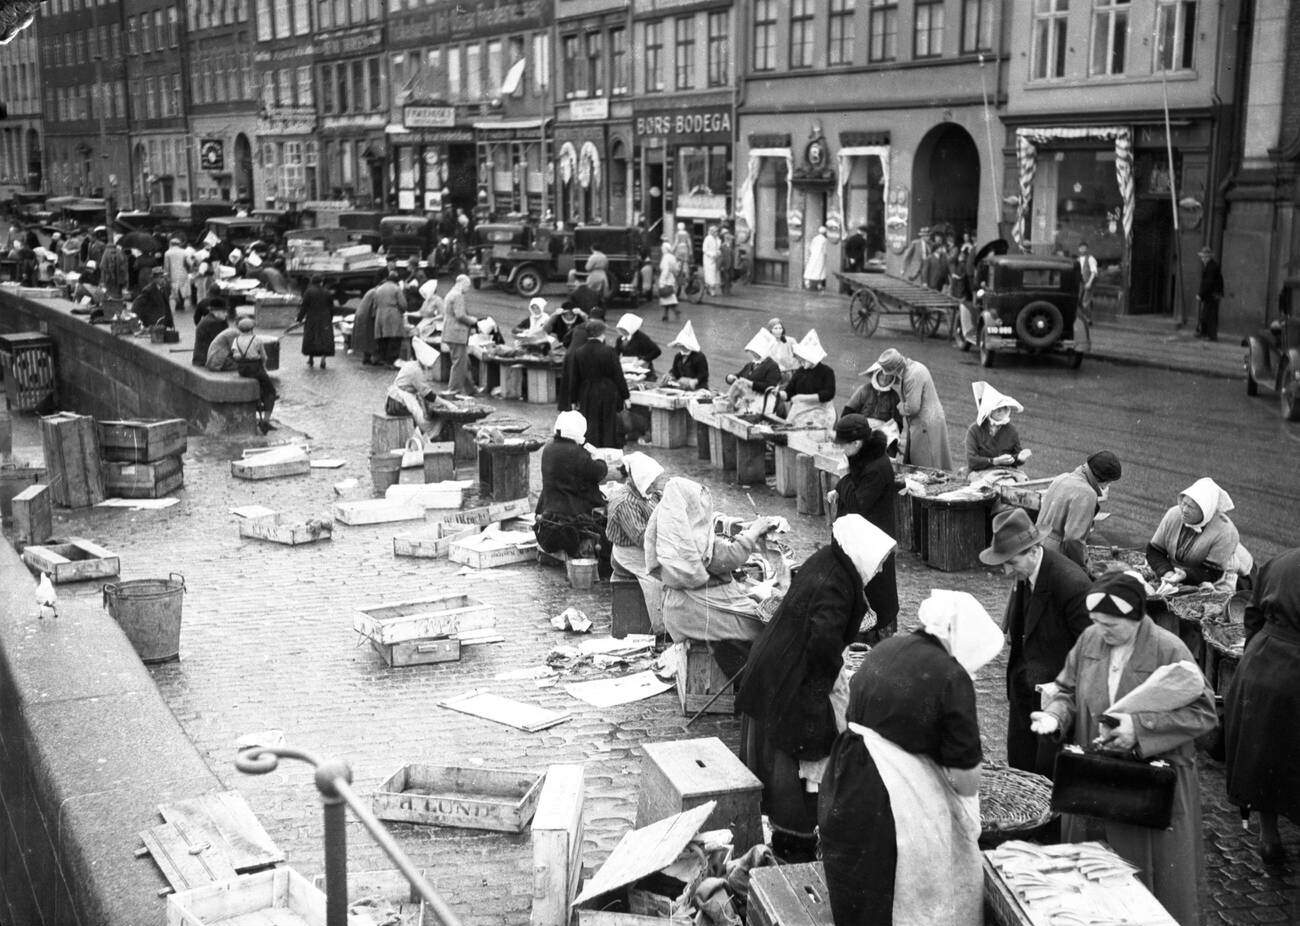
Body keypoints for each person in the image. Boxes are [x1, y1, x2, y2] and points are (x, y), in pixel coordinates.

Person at [1031, 572, 1217, 926]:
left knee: (1147, 881)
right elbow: (1067, 690)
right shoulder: (1089, 640)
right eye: (1097, 623)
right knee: (1092, 878)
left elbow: (1204, 712)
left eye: (1111, 625)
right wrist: (1055, 715)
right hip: (1095, 781)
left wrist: (1140, 729)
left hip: (1148, 787)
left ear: (1137, 618)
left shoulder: (1169, 649)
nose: (1102, 632)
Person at [818, 589, 1003, 926]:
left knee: (856, 893)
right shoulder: (952, 677)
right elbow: (965, 781)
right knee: (893, 897)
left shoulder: (888, 647)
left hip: (844, 778)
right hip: (887, 801)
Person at [739, 515, 897, 862]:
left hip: (776, 664)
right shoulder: (837, 581)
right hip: (791, 673)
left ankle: (791, 830)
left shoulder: (828, 558)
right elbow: (823, 641)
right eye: (880, 561)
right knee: (802, 749)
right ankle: (796, 838)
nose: (881, 568)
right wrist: (826, 689)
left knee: (789, 749)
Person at [979, 507, 1091, 776]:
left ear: (1033, 550)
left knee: (1047, 773)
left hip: (1055, 698)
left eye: (1012, 563)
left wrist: (1063, 690)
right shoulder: (1026, 574)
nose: (1006, 571)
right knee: (1019, 765)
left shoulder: (1071, 584)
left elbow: (1090, 649)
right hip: (1024, 689)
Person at [644, 477, 779, 679]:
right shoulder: (694, 545)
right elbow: (731, 556)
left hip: (678, 608)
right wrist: (755, 531)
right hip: (696, 613)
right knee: (768, 623)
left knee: (752, 601)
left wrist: (744, 528)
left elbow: (711, 533)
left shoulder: (673, 531)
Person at [1224, 547, 1300, 864]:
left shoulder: (1282, 560)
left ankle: (1268, 835)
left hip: (1261, 662)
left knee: (1263, 752)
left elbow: (1253, 613)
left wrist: (1258, 650)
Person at [827, 415, 902, 639]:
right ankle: (864, 626)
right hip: (864, 535)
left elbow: (859, 503)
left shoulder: (876, 467)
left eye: (843, 445)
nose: (841, 449)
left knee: (877, 590)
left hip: (874, 539)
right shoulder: (865, 456)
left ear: (857, 443)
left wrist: (841, 483)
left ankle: (876, 632)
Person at [605, 452, 666, 633]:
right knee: (658, 578)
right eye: (652, 483)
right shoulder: (626, 502)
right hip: (628, 552)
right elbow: (642, 538)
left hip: (647, 544)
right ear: (641, 480)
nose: (655, 486)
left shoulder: (648, 493)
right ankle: (662, 629)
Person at [1147, 477, 1244, 591]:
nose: (1184, 509)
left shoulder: (1226, 532)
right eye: (1183, 503)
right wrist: (1167, 572)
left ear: (1205, 510)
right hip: (1178, 572)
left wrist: (1186, 576)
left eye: (1191, 507)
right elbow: (1155, 550)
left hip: (1217, 577)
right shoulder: (1174, 514)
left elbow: (1212, 572)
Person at [535, 410, 609, 559]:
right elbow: (599, 472)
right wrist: (599, 457)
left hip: (549, 509)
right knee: (603, 516)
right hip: (571, 515)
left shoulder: (549, 447)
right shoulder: (577, 453)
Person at [1037, 451, 1123, 569]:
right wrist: (1083, 568)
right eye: (1110, 482)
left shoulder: (1062, 478)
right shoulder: (1087, 494)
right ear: (1104, 479)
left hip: (1038, 548)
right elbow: (1074, 539)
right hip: (1055, 558)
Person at [874, 347, 952, 471]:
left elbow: (913, 408)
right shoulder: (913, 368)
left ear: (894, 369)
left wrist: (900, 407)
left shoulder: (912, 376)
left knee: (925, 464)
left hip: (926, 425)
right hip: (930, 421)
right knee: (931, 461)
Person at [563, 319, 629, 449]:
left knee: (590, 422)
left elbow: (575, 378)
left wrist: (573, 399)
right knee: (608, 422)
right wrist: (625, 395)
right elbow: (618, 376)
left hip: (587, 392)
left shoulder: (579, 352)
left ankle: (591, 449)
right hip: (607, 391)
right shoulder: (609, 351)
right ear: (602, 333)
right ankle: (607, 449)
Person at [965, 381, 1031, 474]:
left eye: (1004, 408)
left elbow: (1015, 457)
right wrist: (995, 461)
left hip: (1005, 472)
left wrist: (1020, 458)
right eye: (998, 409)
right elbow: (972, 461)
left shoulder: (1011, 430)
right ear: (989, 412)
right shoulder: (974, 430)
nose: (1002, 412)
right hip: (979, 473)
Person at [229, 317, 278, 433]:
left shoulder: (236, 341)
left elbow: (235, 356)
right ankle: (265, 421)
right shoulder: (257, 340)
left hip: (242, 369)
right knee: (271, 392)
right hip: (256, 369)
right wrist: (264, 367)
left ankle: (257, 405)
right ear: (251, 329)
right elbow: (264, 357)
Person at [778, 330, 835, 429]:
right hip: (800, 410)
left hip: (821, 410)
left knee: (808, 431)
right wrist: (778, 394)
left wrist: (803, 397)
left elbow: (828, 394)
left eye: (802, 360)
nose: (800, 362)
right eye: (800, 360)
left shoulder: (826, 371)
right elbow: (789, 392)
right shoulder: (800, 371)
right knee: (790, 430)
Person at [842, 361, 903, 454]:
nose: (885, 378)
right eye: (882, 374)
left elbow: (898, 422)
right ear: (876, 374)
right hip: (863, 425)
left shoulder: (894, 397)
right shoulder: (864, 390)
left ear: (892, 378)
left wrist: (888, 429)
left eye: (889, 376)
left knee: (892, 439)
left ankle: (889, 463)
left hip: (883, 429)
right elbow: (848, 411)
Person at [385, 337, 440, 434]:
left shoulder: (413, 364)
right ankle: (429, 434)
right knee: (425, 421)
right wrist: (446, 403)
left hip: (396, 400)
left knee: (422, 411)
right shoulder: (415, 370)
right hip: (399, 403)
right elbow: (427, 394)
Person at [724, 328, 782, 415]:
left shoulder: (773, 366)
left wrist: (749, 383)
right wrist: (730, 377)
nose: (753, 354)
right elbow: (739, 376)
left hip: (762, 401)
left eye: (756, 352)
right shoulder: (751, 364)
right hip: (748, 398)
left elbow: (769, 387)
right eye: (752, 351)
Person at [441, 274, 479, 395]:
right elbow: (460, 315)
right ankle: (453, 390)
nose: (468, 289)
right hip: (456, 334)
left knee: (464, 362)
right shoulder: (458, 296)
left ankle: (471, 389)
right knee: (459, 363)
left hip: (450, 332)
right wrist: (473, 321)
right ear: (462, 283)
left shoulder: (450, 294)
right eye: (468, 286)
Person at [298, 277, 336, 369]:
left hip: (312, 318)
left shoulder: (308, 292)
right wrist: (330, 318)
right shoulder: (327, 292)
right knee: (325, 339)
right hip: (325, 318)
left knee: (311, 338)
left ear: (312, 282)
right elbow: (331, 307)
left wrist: (299, 318)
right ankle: (323, 359)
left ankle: (311, 359)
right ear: (321, 282)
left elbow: (304, 306)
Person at [373, 272, 407, 366]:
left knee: (383, 338)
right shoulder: (396, 288)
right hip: (392, 314)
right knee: (394, 337)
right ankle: (392, 361)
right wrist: (402, 310)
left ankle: (383, 359)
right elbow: (403, 305)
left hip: (380, 314)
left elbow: (375, 304)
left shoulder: (379, 289)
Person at [664, 321, 708, 389]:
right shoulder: (678, 356)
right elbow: (675, 371)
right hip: (681, 385)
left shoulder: (700, 357)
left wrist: (694, 381)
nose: (681, 347)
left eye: (682, 345)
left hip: (698, 387)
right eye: (679, 345)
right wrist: (670, 375)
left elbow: (704, 374)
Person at [1195, 244, 1224, 341]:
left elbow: (1208, 283)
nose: (1202, 259)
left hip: (1211, 295)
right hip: (1213, 295)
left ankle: (1210, 336)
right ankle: (1205, 333)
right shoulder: (1211, 266)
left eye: (1203, 257)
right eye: (1202, 257)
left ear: (1207, 257)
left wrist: (1200, 294)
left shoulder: (1211, 267)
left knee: (1209, 315)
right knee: (1207, 315)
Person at [192, 299, 230, 367]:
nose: (226, 314)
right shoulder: (213, 323)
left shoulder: (209, 318)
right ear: (216, 312)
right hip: (206, 359)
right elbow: (223, 341)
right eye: (224, 312)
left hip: (200, 358)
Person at [351, 281, 381, 365]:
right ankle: (375, 358)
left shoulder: (371, 291)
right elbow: (375, 306)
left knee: (366, 337)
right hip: (367, 315)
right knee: (371, 336)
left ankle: (366, 357)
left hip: (361, 314)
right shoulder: (376, 292)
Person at [163, 238, 189, 318]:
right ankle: (182, 303)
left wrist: (166, 274)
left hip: (173, 273)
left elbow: (166, 265)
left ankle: (178, 303)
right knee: (183, 288)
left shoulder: (167, 253)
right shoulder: (184, 252)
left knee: (175, 288)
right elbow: (188, 263)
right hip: (183, 272)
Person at [1076, 242, 1098, 329]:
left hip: (1088, 281)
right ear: (1078, 249)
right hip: (1079, 283)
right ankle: (1081, 318)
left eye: (1084, 248)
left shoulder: (1090, 258)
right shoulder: (1077, 259)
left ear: (1087, 249)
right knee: (1078, 300)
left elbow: (1094, 272)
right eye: (1081, 248)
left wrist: (1089, 282)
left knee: (1085, 301)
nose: (1082, 249)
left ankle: (1088, 319)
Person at [657, 242, 681, 322]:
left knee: (666, 297)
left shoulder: (665, 257)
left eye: (663, 249)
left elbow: (665, 269)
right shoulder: (672, 257)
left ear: (665, 249)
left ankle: (674, 311)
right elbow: (676, 269)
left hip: (666, 280)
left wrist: (662, 281)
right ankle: (666, 315)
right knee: (668, 298)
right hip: (671, 279)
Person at [803, 226, 828, 291]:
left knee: (811, 268)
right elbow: (825, 250)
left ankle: (807, 282)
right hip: (821, 257)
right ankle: (819, 284)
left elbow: (811, 248)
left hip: (813, 256)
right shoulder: (825, 240)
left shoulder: (815, 238)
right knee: (820, 269)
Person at [702, 225, 721, 296]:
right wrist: (711, 254)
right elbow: (704, 249)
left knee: (715, 274)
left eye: (717, 232)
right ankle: (711, 290)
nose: (717, 233)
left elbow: (718, 248)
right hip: (709, 259)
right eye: (715, 232)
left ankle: (709, 288)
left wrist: (718, 252)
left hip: (716, 259)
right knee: (710, 274)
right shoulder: (708, 238)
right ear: (712, 232)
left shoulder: (717, 239)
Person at [718, 229, 735, 295]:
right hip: (724, 265)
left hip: (730, 265)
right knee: (724, 278)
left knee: (729, 278)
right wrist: (721, 266)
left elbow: (732, 256)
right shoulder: (722, 246)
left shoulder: (730, 246)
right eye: (729, 239)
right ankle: (724, 291)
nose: (731, 240)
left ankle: (728, 291)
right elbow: (721, 257)